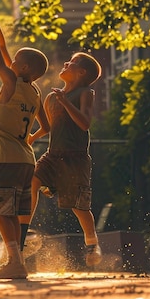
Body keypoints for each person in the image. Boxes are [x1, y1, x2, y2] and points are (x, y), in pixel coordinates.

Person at [0, 0, 50, 279]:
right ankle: (15, 261)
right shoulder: (34, 92)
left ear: (24, 69)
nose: (11, 60)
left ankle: (15, 263)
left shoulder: (10, 82)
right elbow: (47, 126)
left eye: (17, 60)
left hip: (7, 159)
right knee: (11, 213)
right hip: (25, 162)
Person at [19, 52, 103, 267]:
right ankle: (21, 238)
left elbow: (84, 123)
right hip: (53, 155)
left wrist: (66, 102)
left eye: (71, 63)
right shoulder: (50, 98)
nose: (66, 63)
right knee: (31, 183)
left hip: (75, 158)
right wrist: (32, 138)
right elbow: (48, 128)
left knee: (79, 206)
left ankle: (92, 243)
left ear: (81, 73)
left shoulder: (86, 93)